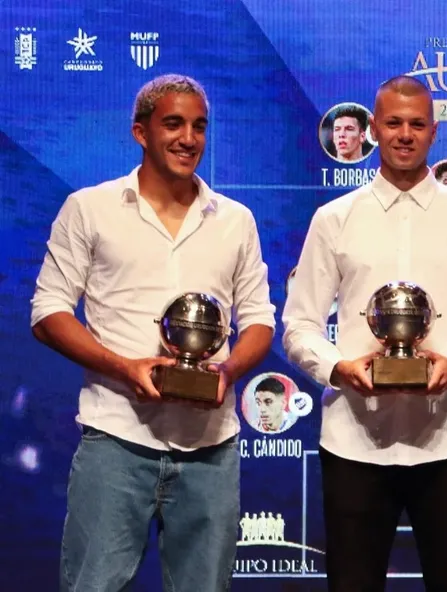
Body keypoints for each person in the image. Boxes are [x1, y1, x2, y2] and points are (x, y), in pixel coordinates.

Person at [30, 74, 275, 592]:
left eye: (199, 126)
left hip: (212, 448)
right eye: (173, 124)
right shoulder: (89, 208)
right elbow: (48, 310)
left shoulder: (236, 220)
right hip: (116, 439)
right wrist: (124, 367)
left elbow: (259, 320)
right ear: (140, 132)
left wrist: (225, 372)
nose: (189, 138)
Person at [283, 75, 447, 592]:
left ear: (434, 132)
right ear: (373, 130)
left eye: (416, 124)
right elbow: (299, 324)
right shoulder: (334, 219)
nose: (405, 135)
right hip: (355, 443)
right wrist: (337, 369)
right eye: (393, 123)